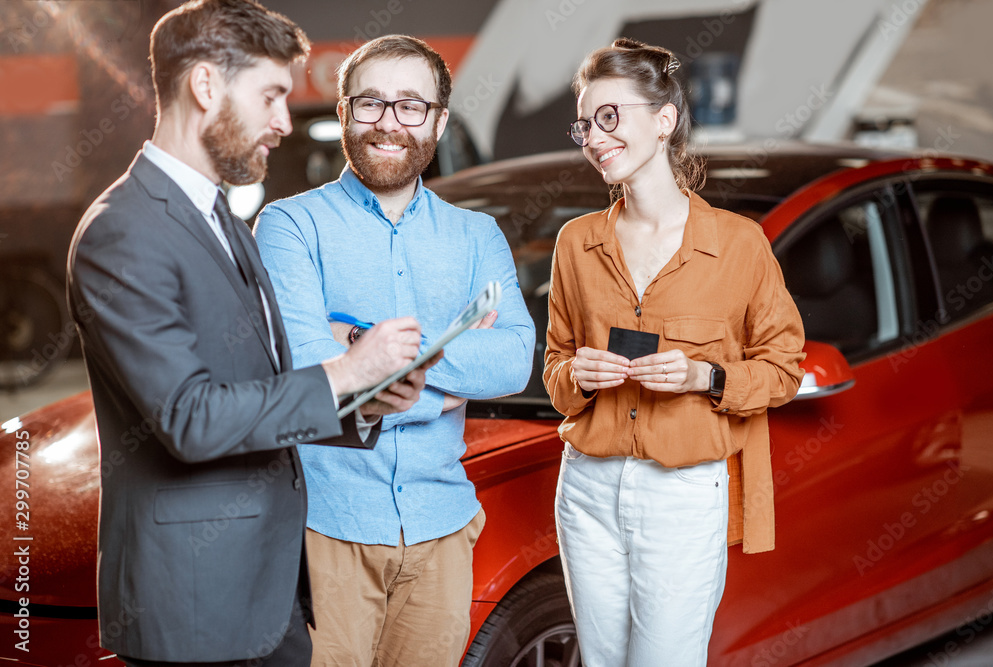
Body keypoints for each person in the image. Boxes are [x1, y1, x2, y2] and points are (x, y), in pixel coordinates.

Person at [66, 2, 434, 666]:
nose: (284, 123)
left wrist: (362, 402)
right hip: (194, 606)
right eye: (271, 95)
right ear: (206, 86)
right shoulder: (122, 233)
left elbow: (254, 385)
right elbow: (189, 418)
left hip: (265, 596)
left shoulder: (220, 216)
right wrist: (345, 373)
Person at [253, 34, 534, 667]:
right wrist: (448, 377)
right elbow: (301, 369)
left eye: (412, 105)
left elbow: (515, 359)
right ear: (344, 112)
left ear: (437, 119)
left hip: (442, 528)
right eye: (371, 103)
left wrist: (358, 345)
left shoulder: (475, 235)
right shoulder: (288, 225)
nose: (389, 122)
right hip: (324, 528)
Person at [543, 38, 805, 666]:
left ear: (664, 120)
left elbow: (784, 367)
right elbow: (554, 369)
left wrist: (703, 376)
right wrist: (576, 373)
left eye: (611, 117)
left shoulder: (739, 245)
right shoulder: (575, 243)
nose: (594, 138)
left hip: (683, 492)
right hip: (585, 486)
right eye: (585, 123)